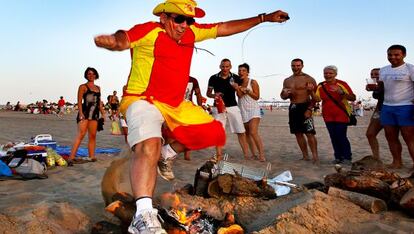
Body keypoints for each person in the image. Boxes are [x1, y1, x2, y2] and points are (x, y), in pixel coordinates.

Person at [94, 0, 289, 233]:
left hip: (176, 105)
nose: (185, 25)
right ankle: (143, 216)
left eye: (189, 20)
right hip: (143, 99)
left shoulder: (190, 34)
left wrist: (263, 18)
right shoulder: (150, 30)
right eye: (179, 19)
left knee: (213, 130)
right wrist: (115, 42)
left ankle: (166, 155)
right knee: (149, 145)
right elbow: (124, 38)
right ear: (165, 18)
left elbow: (225, 28)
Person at [378, 44, 414, 169]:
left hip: (406, 106)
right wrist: (375, 88)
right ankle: (397, 162)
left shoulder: (410, 69)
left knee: (409, 138)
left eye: (396, 54)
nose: (393, 57)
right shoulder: (383, 70)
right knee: (391, 137)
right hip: (387, 106)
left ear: (404, 55)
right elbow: (382, 88)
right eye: (390, 55)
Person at [207, 59, 250, 161]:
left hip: (233, 106)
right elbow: (208, 93)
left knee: (241, 131)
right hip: (218, 108)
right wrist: (214, 95)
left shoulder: (235, 77)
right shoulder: (213, 78)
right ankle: (218, 155)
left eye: (227, 66)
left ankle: (246, 155)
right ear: (220, 66)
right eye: (223, 66)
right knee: (218, 132)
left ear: (230, 67)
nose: (225, 69)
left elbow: (240, 94)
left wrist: (237, 88)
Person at [314, 65, 356, 165]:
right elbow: (317, 99)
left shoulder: (342, 84)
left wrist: (341, 92)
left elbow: (353, 97)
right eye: (325, 73)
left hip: (341, 114)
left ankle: (347, 157)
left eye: (330, 73)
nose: (328, 75)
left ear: (335, 74)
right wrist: (311, 91)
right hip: (327, 115)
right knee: (333, 136)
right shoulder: (320, 85)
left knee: (341, 136)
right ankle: (338, 157)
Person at [280, 58, 319, 163]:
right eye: (293, 66)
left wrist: (310, 109)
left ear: (302, 66)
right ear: (291, 66)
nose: (295, 68)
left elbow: (316, 98)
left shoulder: (309, 79)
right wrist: (285, 94)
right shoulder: (287, 80)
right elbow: (282, 96)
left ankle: (315, 157)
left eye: (298, 65)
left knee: (310, 133)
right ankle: (305, 156)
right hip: (293, 107)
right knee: (298, 133)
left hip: (305, 106)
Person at [68, 67, 105, 165]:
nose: (91, 75)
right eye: (89, 74)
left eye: (93, 74)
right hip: (84, 112)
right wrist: (80, 113)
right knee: (81, 134)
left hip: (95, 114)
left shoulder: (98, 88)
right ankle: (71, 158)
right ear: (86, 75)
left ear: (96, 75)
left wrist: (103, 113)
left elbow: (99, 102)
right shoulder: (82, 87)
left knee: (92, 136)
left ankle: (92, 156)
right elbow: (79, 101)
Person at [235, 63, 266, 161]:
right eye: (239, 70)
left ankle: (261, 155)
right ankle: (253, 154)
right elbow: (239, 96)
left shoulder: (253, 82)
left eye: (243, 70)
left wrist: (248, 91)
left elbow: (257, 97)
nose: (241, 72)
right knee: (247, 134)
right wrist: (237, 88)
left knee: (253, 132)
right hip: (242, 110)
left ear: (248, 72)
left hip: (253, 109)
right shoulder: (237, 83)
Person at [183, 76, 203, 160]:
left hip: (188, 108)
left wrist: (200, 106)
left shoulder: (193, 80)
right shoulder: (173, 76)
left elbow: (198, 94)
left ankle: (187, 154)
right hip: (174, 108)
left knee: (189, 131)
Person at [365, 68, 383, 159]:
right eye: (372, 74)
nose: (373, 76)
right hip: (379, 110)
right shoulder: (375, 85)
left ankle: (397, 161)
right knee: (370, 134)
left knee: (394, 136)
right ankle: (376, 157)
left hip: (391, 109)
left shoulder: (387, 83)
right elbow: (379, 99)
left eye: (376, 74)